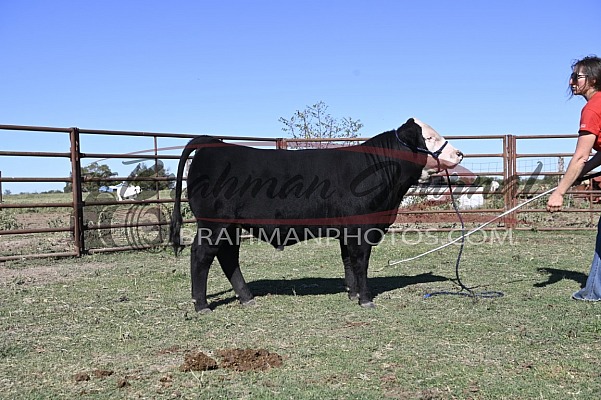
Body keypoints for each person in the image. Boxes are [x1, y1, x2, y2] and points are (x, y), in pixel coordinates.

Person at [547, 55, 601, 300]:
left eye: (576, 76)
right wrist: (584, 173)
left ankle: (593, 291)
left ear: (592, 79)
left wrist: (559, 192)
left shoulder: (592, 108)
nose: (571, 82)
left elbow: (580, 156)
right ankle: (592, 290)